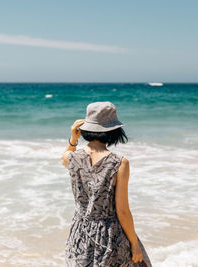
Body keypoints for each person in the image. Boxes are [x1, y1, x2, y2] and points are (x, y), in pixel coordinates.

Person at [61, 101, 152, 267]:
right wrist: (134, 244)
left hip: (80, 232)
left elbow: (65, 157)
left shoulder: (72, 158)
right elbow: (123, 211)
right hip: (109, 236)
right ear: (114, 131)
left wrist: (74, 139)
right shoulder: (119, 163)